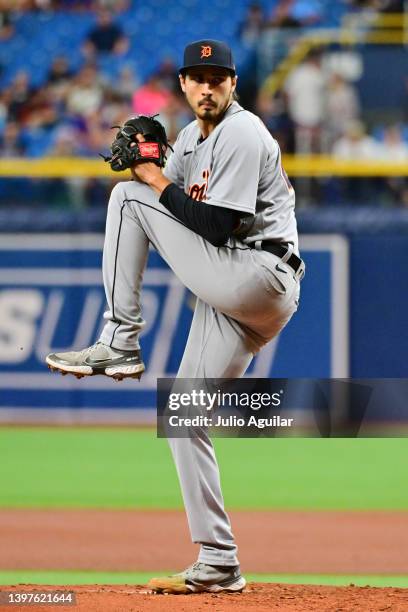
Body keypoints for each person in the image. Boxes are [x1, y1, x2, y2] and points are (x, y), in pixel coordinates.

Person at [46, 39, 304, 594]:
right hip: (235, 294)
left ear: (233, 84)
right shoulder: (191, 138)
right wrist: (155, 160)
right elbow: (179, 198)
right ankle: (219, 560)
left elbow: (216, 225)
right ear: (184, 85)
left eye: (218, 77)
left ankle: (119, 337)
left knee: (127, 200)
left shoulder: (241, 131)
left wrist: (149, 177)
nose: (207, 87)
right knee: (184, 413)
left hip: (259, 272)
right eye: (197, 77)